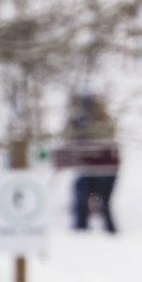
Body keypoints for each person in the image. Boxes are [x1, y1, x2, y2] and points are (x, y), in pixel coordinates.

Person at [55, 92, 121, 232]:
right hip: (85, 170)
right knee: (80, 202)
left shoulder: (105, 120)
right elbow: (67, 136)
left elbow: (105, 134)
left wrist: (84, 128)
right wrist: (74, 124)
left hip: (106, 171)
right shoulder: (77, 120)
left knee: (105, 204)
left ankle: (110, 233)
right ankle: (81, 232)